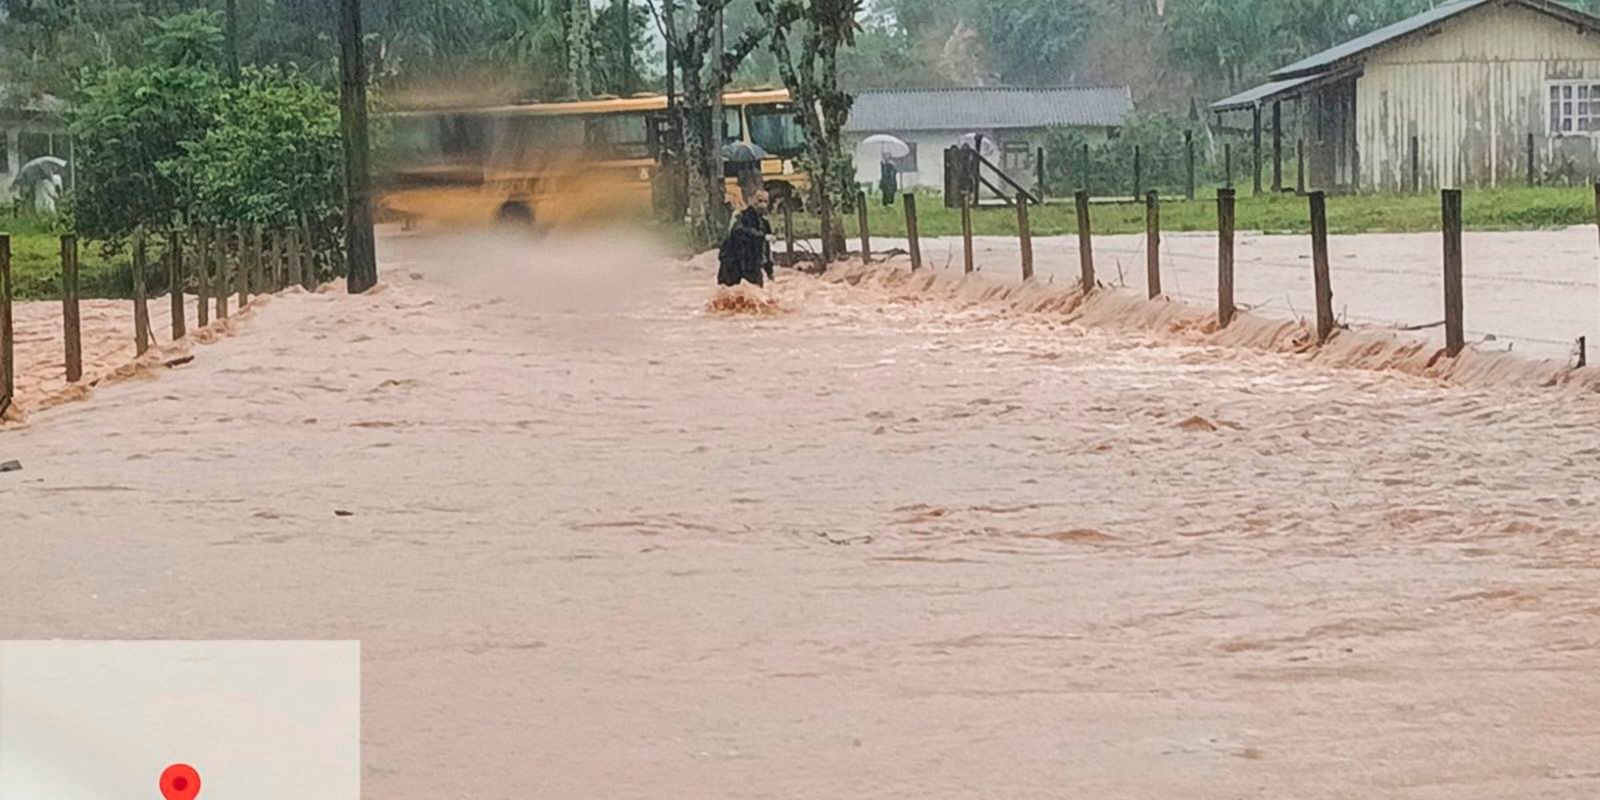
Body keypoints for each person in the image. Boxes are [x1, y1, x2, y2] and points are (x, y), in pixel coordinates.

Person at [717, 190, 774, 288]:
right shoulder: (741, 216)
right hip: (733, 266)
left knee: (756, 297)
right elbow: (738, 232)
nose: (762, 205)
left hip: (752, 267)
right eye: (759, 201)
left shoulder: (764, 222)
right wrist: (760, 236)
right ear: (751, 200)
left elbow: (766, 248)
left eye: (765, 201)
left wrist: (769, 270)